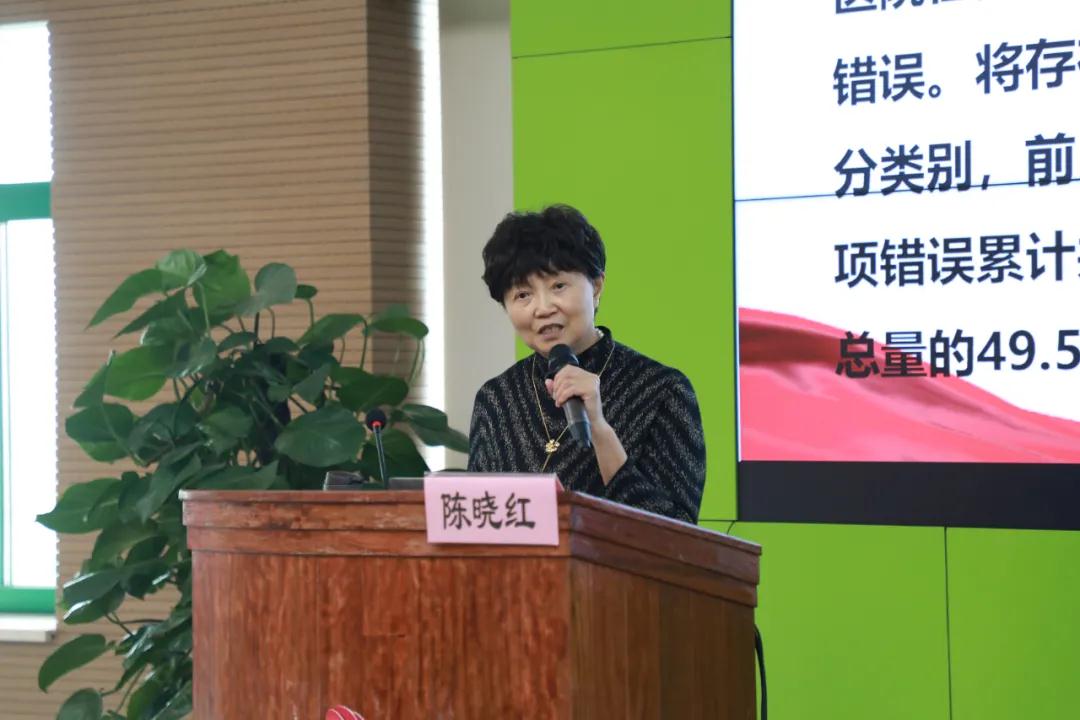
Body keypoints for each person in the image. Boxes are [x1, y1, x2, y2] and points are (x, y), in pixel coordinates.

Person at [467, 204, 705, 523]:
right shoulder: (496, 399)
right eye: (523, 295)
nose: (543, 308)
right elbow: (478, 524)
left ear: (597, 286)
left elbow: (679, 534)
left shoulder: (662, 391)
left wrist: (600, 429)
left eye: (558, 286)